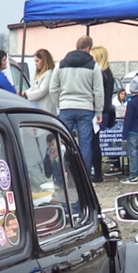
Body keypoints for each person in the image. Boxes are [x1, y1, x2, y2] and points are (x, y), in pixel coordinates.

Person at [49, 36, 103, 173]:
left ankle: (63, 173)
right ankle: (84, 175)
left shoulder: (60, 64)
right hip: (86, 108)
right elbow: (98, 91)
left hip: (66, 107)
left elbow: (53, 88)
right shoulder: (93, 66)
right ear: (89, 48)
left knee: (63, 142)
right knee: (85, 144)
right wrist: (99, 112)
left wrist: (60, 104)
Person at [90, 46, 116, 181]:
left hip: (98, 111)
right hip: (104, 111)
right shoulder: (108, 73)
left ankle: (97, 173)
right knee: (95, 142)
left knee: (93, 142)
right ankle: (97, 172)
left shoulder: (100, 73)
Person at [121, 76, 138, 184]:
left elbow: (128, 119)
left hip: (132, 131)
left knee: (133, 154)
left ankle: (133, 176)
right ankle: (137, 174)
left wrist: (124, 135)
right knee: (137, 153)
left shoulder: (131, 103)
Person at [23, 48, 56, 112]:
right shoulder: (39, 75)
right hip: (38, 109)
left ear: (44, 61)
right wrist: (24, 92)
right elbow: (33, 88)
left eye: (37, 61)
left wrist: (27, 95)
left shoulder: (49, 74)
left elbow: (42, 91)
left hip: (46, 110)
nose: (35, 64)